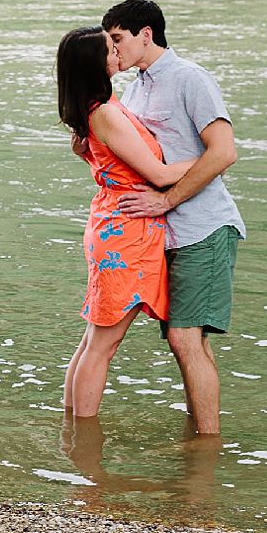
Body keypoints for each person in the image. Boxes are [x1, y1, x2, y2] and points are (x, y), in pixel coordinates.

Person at [103, 0, 244, 436]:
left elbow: (224, 152)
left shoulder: (191, 78)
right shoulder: (135, 88)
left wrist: (166, 201)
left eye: (118, 39)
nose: (113, 49)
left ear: (146, 33)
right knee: (189, 341)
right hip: (164, 238)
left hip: (204, 227)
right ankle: (203, 436)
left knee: (185, 339)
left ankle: (204, 455)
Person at [55, 25, 192, 420]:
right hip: (125, 234)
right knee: (102, 345)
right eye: (109, 46)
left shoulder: (100, 108)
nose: (117, 50)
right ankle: (83, 440)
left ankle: (73, 433)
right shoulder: (107, 113)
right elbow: (161, 175)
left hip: (118, 226)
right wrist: (212, 160)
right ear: (94, 63)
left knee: (94, 341)